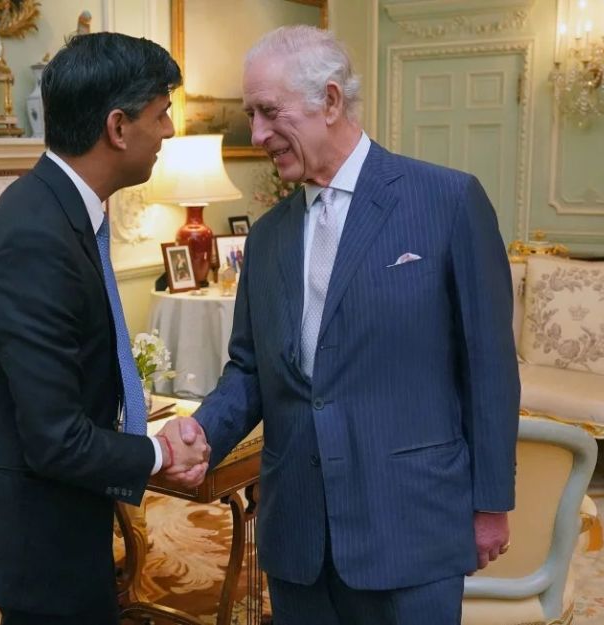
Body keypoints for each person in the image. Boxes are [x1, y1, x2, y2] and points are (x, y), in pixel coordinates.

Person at [172, 26, 520, 624]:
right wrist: (201, 430)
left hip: (410, 527)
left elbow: (489, 367)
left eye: (267, 112)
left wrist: (490, 504)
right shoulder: (269, 235)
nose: (256, 135)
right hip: (298, 536)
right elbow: (253, 368)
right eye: (251, 115)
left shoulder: (447, 201)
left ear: (330, 101)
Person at [0, 32, 209, 625]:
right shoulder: (37, 237)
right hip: (36, 533)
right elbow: (55, 439)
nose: (167, 132)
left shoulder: (60, 207)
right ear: (117, 127)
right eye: (160, 115)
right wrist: (158, 451)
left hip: (60, 513)